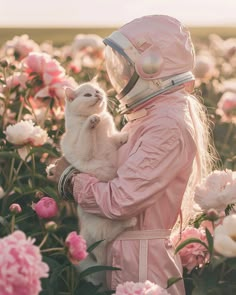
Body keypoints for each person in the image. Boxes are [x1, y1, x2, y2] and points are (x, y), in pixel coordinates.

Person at [48, 15, 215, 295]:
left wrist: (71, 178)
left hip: (143, 267)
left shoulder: (166, 125)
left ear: (152, 67)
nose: (121, 77)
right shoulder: (151, 115)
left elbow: (122, 200)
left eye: (126, 68)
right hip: (129, 258)